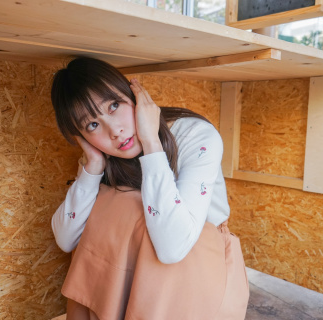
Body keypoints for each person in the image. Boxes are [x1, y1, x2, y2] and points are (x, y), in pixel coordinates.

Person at [50, 56, 249, 319]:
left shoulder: (196, 135)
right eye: (92, 125)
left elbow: (172, 248)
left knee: (126, 205)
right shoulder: (104, 154)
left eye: (113, 106)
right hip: (141, 274)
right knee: (113, 204)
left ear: (134, 94)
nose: (115, 131)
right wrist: (93, 166)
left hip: (203, 264)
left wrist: (150, 142)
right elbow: (66, 239)